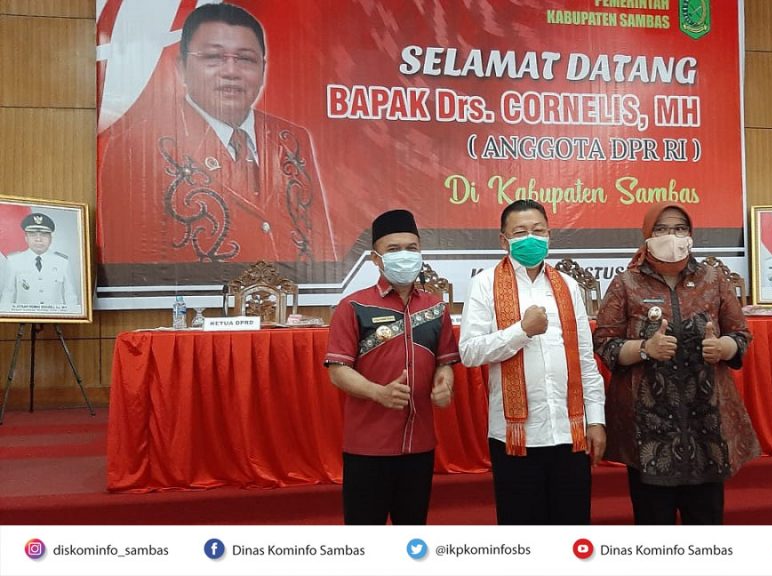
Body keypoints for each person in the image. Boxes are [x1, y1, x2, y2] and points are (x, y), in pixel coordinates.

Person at [98, 2, 337, 277]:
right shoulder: (135, 147)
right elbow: (129, 270)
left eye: (245, 59)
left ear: (262, 70)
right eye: (213, 57)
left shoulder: (291, 139)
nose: (231, 71)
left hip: (290, 301)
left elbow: (321, 252)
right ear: (181, 67)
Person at [593, 202, 760, 525]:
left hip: (706, 421)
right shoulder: (627, 283)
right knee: (654, 523)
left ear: (691, 235)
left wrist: (722, 347)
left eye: (680, 229)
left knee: (706, 522)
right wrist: (645, 348)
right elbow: (604, 343)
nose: (672, 236)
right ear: (647, 235)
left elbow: (740, 334)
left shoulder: (713, 278)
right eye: (662, 229)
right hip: (649, 427)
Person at [459, 199, 606, 525]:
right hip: (516, 438)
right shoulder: (485, 284)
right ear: (504, 240)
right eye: (520, 232)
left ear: (549, 235)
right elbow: (469, 352)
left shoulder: (567, 285)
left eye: (538, 231)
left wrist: (596, 420)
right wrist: (521, 331)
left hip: (569, 432)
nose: (531, 238)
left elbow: (585, 359)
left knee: (571, 527)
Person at [323, 209, 459, 525]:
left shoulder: (436, 307)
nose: (405, 256)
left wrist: (445, 384)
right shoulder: (353, 306)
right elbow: (337, 370)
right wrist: (378, 393)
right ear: (376, 258)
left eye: (412, 248)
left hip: (420, 445)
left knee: (412, 531)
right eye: (394, 249)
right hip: (368, 447)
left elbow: (445, 363)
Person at [0, 213, 79, 309]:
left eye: (44, 235)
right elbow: (8, 294)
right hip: (24, 316)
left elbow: (70, 296)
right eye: (33, 235)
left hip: (56, 316)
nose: (38, 239)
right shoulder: (14, 261)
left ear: (51, 238)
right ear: (26, 238)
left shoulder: (62, 262)